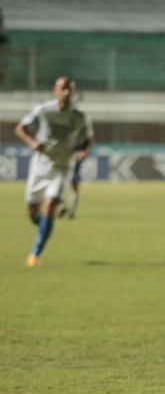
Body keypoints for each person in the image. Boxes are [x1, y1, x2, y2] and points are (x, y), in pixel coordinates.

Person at [14, 76, 93, 267]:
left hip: (63, 168)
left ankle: (35, 253)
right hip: (40, 167)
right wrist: (32, 142)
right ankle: (45, 224)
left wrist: (82, 150)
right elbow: (20, 128)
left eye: (70, 89)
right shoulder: (43, 110)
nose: (66, 92)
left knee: (49, 207)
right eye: (63, 88)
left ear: (74, 93)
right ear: (55, 90)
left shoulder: (80, 117)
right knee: (33, 212)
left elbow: (88, 138)